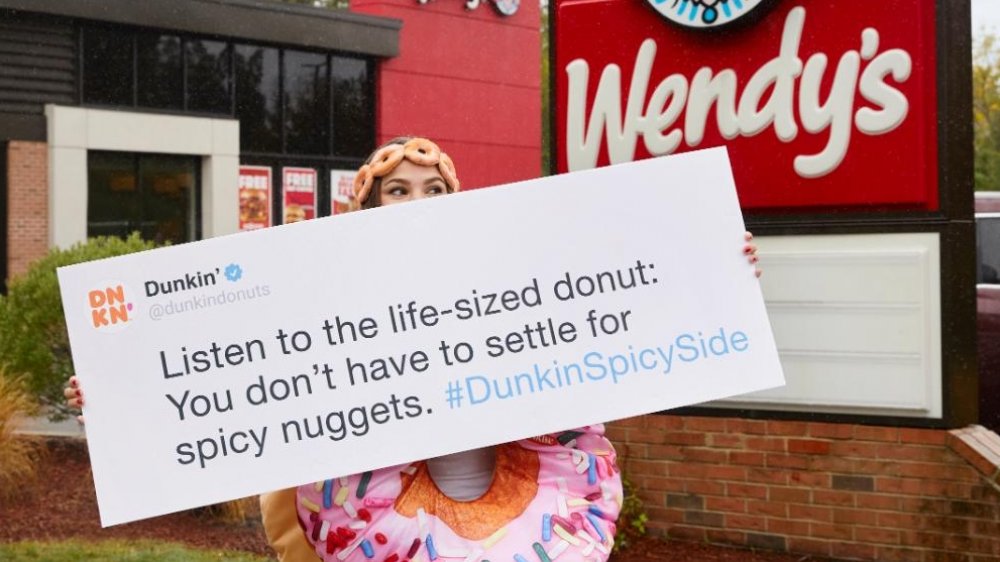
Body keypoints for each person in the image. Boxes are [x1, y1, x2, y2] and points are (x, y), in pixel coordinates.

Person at [66, 136, 761, 561]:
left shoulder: (517, 289)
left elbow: (625, 317)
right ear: (368, 210)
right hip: (381, 531)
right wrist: (114, 393)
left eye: (433, 189)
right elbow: (218, 382)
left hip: (519, 524)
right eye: (398, 190)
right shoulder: (312, 305)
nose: (417, 200)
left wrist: (716, 271)